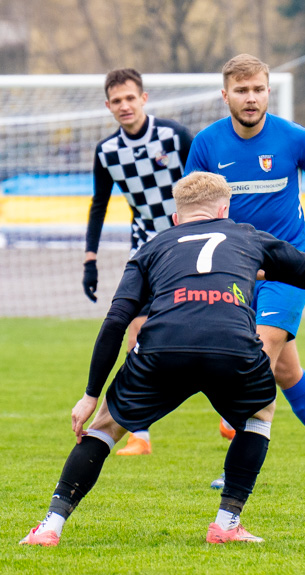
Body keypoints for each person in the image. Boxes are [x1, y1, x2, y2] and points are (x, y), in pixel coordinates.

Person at [20, 172, 305, 546]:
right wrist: (263, 266)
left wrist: (91, 395)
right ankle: (226, 523)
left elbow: (116, 321)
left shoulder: (152, 247)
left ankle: (51, 527)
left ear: (176, 218)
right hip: (231, 348)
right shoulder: (248, 235)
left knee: (104, 427)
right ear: (224, 210)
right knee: (259, 415)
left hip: (163, 348)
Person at [185, 54, 305, 486]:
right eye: (241, 90)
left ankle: (237, 468)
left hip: (287, 267)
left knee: (257, 360)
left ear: (269, 92)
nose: (251, 98)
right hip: (237, 271)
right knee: (285, 371)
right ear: (225, 94)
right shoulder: (207, 144)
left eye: (258, 89)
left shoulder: (295, 139)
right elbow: (193, 209)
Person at [83, 68, 194, 456]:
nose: (124, 106)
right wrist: (90, 259)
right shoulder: (107, 151)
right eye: (117, 101)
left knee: (210, 322)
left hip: (190, 242)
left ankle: (231, 416)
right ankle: (140, 435)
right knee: (137, 334)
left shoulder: (174, 135)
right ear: (108, 106)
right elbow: (99, 205)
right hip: (146, 248)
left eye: (130, 98)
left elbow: (205, 183)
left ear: (143, 98)